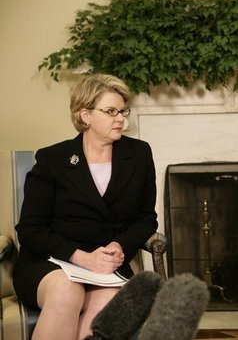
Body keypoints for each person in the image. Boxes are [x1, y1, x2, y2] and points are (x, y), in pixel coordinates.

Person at [13, 74, 158, 340]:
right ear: (85, 116)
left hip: (106, 267)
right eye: (111, 111)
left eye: (123, 111)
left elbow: (146, 218)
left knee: (108, 305)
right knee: (67, 292)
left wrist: (119, 245)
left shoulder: (138, 154)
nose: (121, 119)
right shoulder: (52, 159)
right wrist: (80, 257)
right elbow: (30, 229)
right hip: (50, 263)